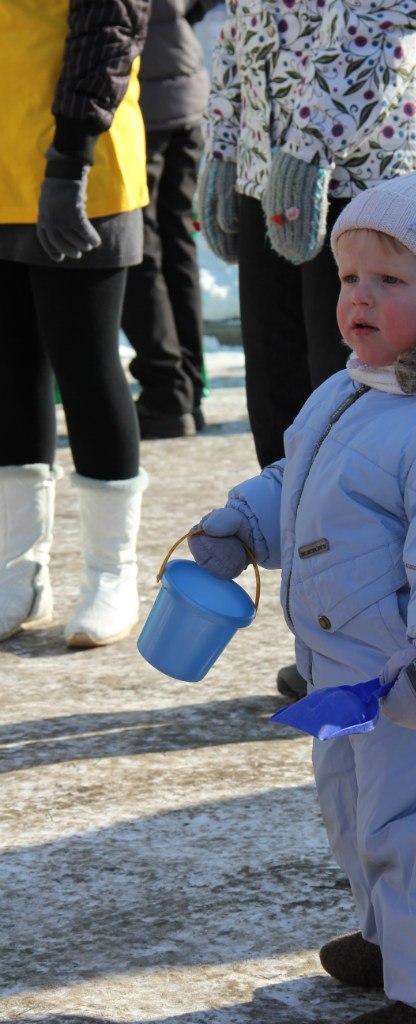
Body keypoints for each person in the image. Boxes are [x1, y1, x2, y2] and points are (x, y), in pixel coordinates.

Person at [186, 109, 416, 1023]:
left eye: (390, 280)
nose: (357, 297)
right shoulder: (358, 385)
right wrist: (246, 520)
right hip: (355, 674)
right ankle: (400, 940)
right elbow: (308, 480)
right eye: (350, 275)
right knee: (358, 814)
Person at [196, 0, 416, 698]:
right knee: (286, 411)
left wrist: (312, 139)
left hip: (367, 171)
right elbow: (244, 19)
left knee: (361, 419)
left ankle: (382, 642)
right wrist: (223, 139)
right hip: (269, 169)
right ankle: (326, 627)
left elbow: (389, 13)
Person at [0, 0, 151, 648]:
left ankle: (111, 573)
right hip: (4, 157)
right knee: (8, 372)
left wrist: (71, 156)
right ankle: (17, 572)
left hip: (79, 162)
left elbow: (110, 26)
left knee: (87, 364)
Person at [122, 0, 220, 440]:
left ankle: (166, 391)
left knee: (136, 246)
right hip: (186, 91)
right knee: (176, 243)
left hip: (139, 97)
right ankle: (187, 389)